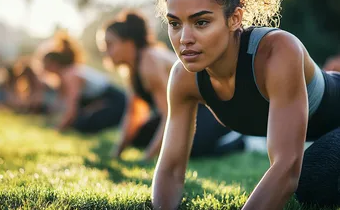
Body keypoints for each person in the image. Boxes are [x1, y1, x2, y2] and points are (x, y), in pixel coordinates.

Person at [151, 0, 340, 210]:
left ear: (235, 18)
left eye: (201, 22)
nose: (185, 39)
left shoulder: (277, 52)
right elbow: (170, 169)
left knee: (315, 178)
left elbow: (286, 168)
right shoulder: (184, 78)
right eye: (174, 23)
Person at [99, 10, 245, 160]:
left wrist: (148, 157)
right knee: (139, 136)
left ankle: (241, 140)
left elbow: (169, 115)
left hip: (207, 109)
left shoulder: (149, 62)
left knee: (188, 149)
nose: (105, 51)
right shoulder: (133, 67)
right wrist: (117, 153)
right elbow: (135, 113)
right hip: (182, 111)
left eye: (110, 44)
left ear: (129, 43)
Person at [42, 31, 126, 133]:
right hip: (106, 99)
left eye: (44, 64)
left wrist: (58, 129)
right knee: (79, 122)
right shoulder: (66, 75)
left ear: (53, 64)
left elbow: (71, 109)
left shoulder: (70, 75)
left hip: (117, 101)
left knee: (80, 124)